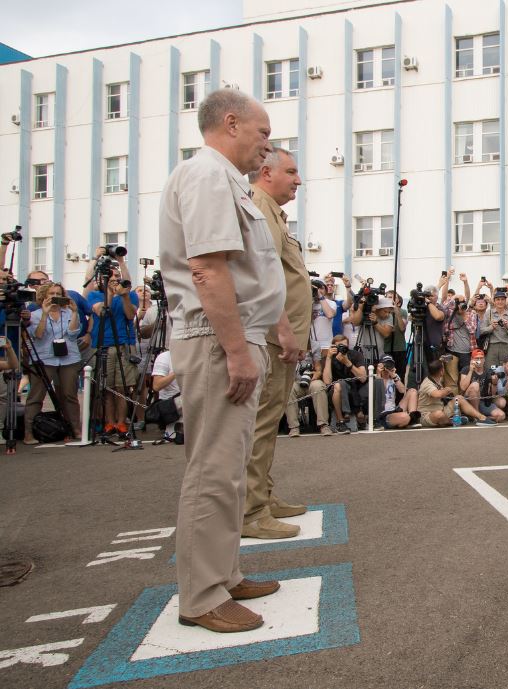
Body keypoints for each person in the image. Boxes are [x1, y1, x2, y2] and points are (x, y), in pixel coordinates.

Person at [159, 88, 289, 633]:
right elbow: (209, 269)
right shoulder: (208, 176)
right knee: (213, 468)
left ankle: (222, 572)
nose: (267, 146)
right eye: (262, 134)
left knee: (229, 468)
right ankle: (203, 595)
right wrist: (237, 350)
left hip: (233, 336)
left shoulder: (222, 178)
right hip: (217, 340)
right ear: (230, 124)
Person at [242, 147, 311, 541]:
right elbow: (262, 272)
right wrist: (284, 329)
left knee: (268, 424)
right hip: (272, 335)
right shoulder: (260, 205)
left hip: (281, 335)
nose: (297, 180)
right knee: (261, 423)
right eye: (291, 171)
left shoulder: (274, 211)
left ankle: (263, 497)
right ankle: (250, 510)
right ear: (266, 172)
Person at [24, 283, 82, 443]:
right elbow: (39, 335)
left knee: (69, 395)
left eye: (58, 293)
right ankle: (29, 432)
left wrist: (76, 312)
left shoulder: (68, 312)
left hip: (69, 358)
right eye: (51, 294)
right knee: (36, 395)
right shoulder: (34, 314)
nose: (54, 296)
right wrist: (44, 313)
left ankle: (75, 429)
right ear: (44, 295)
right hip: (44, 358)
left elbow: (72, 334)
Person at [86, 273, 140, 436]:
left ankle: (121, 422)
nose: (114, 280)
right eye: (110, 278)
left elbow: (131, 315)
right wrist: (110, 292)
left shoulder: (129, 295)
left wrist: (123, 296)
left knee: (122, 387)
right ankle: (109, 423)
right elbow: (102, 311)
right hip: (103, 345)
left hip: (123, 344)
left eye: (116, 277)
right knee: (107, 388)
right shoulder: (94, 295)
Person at [417, 358, 497, 427]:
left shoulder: (437, 379)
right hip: (427, 415)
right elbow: (437, 394)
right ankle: (453, 421)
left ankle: (481, 418)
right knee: (438, 414)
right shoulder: (427, 383)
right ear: (441, 372)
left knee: (459, 398)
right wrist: (447, 390)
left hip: (442, 409)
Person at [323, 334, 367, 433]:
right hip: (335, 391)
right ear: (334, 347)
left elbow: (363, 378)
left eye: (344, 346)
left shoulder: (356, 355)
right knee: (339, 384)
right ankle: (340, 421)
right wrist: (329, 358)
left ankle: (366, 418)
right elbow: (327, 381)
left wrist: (347, 362)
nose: (342, 349)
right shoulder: (329, 357)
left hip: (354, 389)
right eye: (339, 346)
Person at [459, 348, 507, 423]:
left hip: (482, 401)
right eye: (477, 358)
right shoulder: (466, 369)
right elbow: (462, 388)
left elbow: (492, 395)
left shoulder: (488, 371)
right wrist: (471, 371)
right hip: (468, 400)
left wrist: (494, 383)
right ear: (472, 359)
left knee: (501, 416)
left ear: (484, 359)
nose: (479, 360)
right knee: (475, 385)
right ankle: (477, 416)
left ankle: (480, 417)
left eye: (481, 358)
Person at [371, 355, 418, 429]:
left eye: (390, 364)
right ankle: (403, 420)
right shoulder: (374, 378)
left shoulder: (394, 377)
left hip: (394, 410)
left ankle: (412, 420)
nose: (387, 366)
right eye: (386, 364)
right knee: (405, 417)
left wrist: (394, 376)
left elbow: (402, 391)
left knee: (412, 391)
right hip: (382, 414)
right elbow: (380, 396)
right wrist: (379, 374)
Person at [151, 349, 183, 443]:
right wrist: (176, 372)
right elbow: (156, 386)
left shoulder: (196, 354)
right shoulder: (165, 357)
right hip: (171, 404)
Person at [481, 291, 508, 370]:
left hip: (506, 346)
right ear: (494, 301)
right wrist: (491, 327)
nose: (500, 302)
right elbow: (482, 330)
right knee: (490, 370)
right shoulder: (489, 313)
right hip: (492, 346)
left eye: (502, 299)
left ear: (505, 301)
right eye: (498, 299)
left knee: (507, 371)